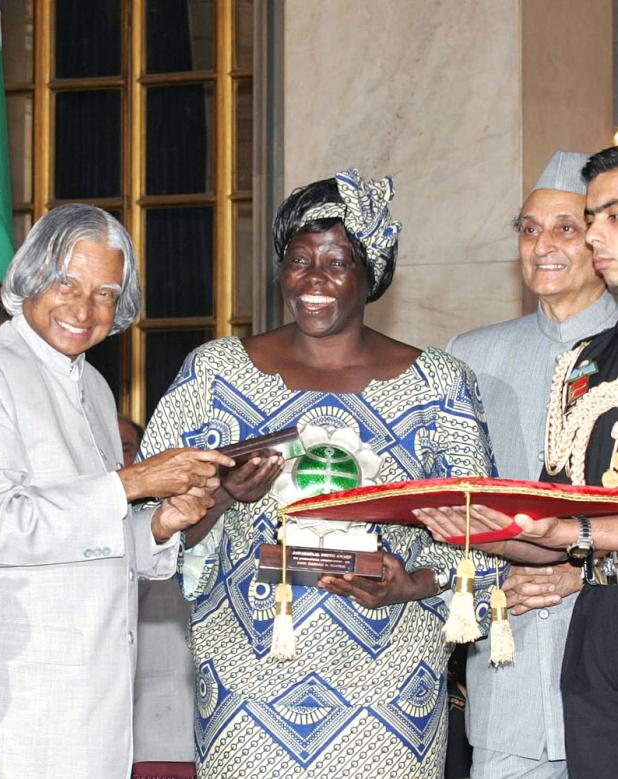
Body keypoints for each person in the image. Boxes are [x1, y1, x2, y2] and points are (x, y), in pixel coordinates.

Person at [139, 169, 503, 778]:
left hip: (391, 689)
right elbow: (145, 528)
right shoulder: (214, 374)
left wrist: (409, 584)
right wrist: (226, 497)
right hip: (246, 681)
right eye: (298, 260)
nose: (313, 279)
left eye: (337, 262)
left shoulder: (439, 384)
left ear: (372, 272)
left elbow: (484, 537)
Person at [0, 204, 233, 779]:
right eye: (67, 283)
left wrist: (158, 525)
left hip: (92, 706)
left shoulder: (96, 387)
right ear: (32, 277)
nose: (84, 309)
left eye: (106, 293)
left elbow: (90, 538)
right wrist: (134, 481)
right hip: (8, 709)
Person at [419, 145, 618, 778]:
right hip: (511, 645)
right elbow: (444, 501)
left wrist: (580, 573)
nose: (542, 246)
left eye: (566, 227)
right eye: (528, 230)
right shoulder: (468, 356)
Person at [128, 412, 198, 766]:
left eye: (128, 447)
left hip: (189, 730)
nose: (122, 461)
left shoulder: (182, 516)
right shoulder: (80, 527)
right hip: (129, 736)